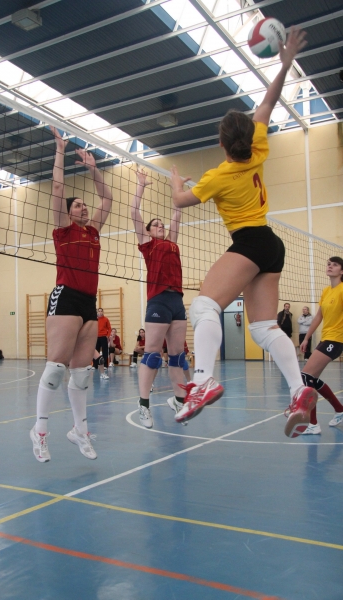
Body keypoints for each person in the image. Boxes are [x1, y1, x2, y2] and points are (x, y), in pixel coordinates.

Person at [170, 28, 317, 437]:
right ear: (247, 136)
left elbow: (181, 202)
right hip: (272, 245)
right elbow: (268, 102)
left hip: (250, 241)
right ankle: (297, 389)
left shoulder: (217, 176)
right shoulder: (259, 147)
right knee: (263, 328)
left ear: (221, 142)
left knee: (202, 307)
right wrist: (285, 63)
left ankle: (203, 380)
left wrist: (176, 182)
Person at [30, 126, 113, 463]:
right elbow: (59, 186)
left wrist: (93, 169)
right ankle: (39, 430)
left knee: (82, 373)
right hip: (65, 297)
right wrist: (61, 150)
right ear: (67, 211)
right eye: (77, 205)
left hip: (88, 303)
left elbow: (107, 199)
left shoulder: (93, 231)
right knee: (55, 368)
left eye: (83, 205)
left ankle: (80, 430)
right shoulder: (62, 231)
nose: (82, 208)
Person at [131, 169, 187, 428]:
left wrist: (179, 189)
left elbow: (178, 214)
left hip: (177, 300)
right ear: (148, 231)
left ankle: (178, 400)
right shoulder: (148, 244)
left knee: (177, 356)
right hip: (158, 300)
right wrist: (140, 186)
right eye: (156, 225)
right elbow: (134, 213)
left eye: (162, 225)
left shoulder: (172, 243)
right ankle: (143, 405)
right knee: (152, 354)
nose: (161, 227)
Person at [299, 257, 343, 435]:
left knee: (306, 376)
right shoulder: (326, 291)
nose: (330, 266)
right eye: (328, 264)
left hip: (337, 339)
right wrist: (306, 338)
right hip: (326, 339)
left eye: (335, 264)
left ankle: (313, 423)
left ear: (342, 271)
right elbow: (318, 317)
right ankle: (339, 409)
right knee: (312, 379)